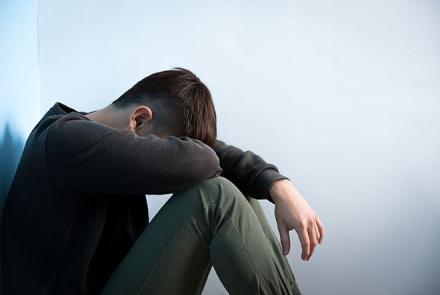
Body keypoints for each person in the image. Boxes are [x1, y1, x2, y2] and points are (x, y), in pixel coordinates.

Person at [1, 68, 324, 295]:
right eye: (168, 146)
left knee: (235, 187)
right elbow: (206, 159)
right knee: (216, 195)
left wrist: (278, 185)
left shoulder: (90, 143)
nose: (166, 154)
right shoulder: (66, 141)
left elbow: (210, 157)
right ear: (139, 119)